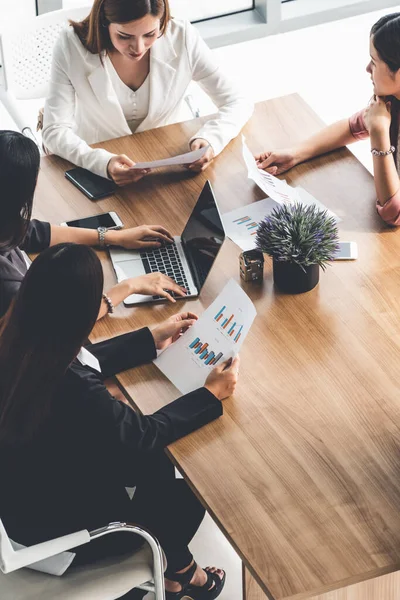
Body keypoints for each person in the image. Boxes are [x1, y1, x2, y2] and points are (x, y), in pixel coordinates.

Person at [0, 243, 239, 599]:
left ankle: (177, 570)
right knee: (194, 471)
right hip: (57, 538)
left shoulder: (15, 338)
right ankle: (180, 573)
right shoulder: (74, 388)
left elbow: (70, 358)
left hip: (23, 498)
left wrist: (149, 339)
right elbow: (142, 434)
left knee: (149, 462)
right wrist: (210, 394)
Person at [42, 0, 253, 185]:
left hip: (169, 166)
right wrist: (101, 163)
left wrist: (210, 141)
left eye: (150, 34)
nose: (139, 47)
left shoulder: (182, 37)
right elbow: (54, 131)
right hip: (97, 172)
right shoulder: (71, 45)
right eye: (125, 36)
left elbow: (237, 101)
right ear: (104, 23)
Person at [0, 130, 186, 318]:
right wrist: (129, 287)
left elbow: (32, 232)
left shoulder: (4, 221)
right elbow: (58, 325)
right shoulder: (7, 285)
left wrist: (113, 237)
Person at [255, 13, 400, 226]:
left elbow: (392, 213)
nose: (367, 69)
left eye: (374, 62)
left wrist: (378, 132)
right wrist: (295, 154)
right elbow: (352, 127)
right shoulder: (391, 102)